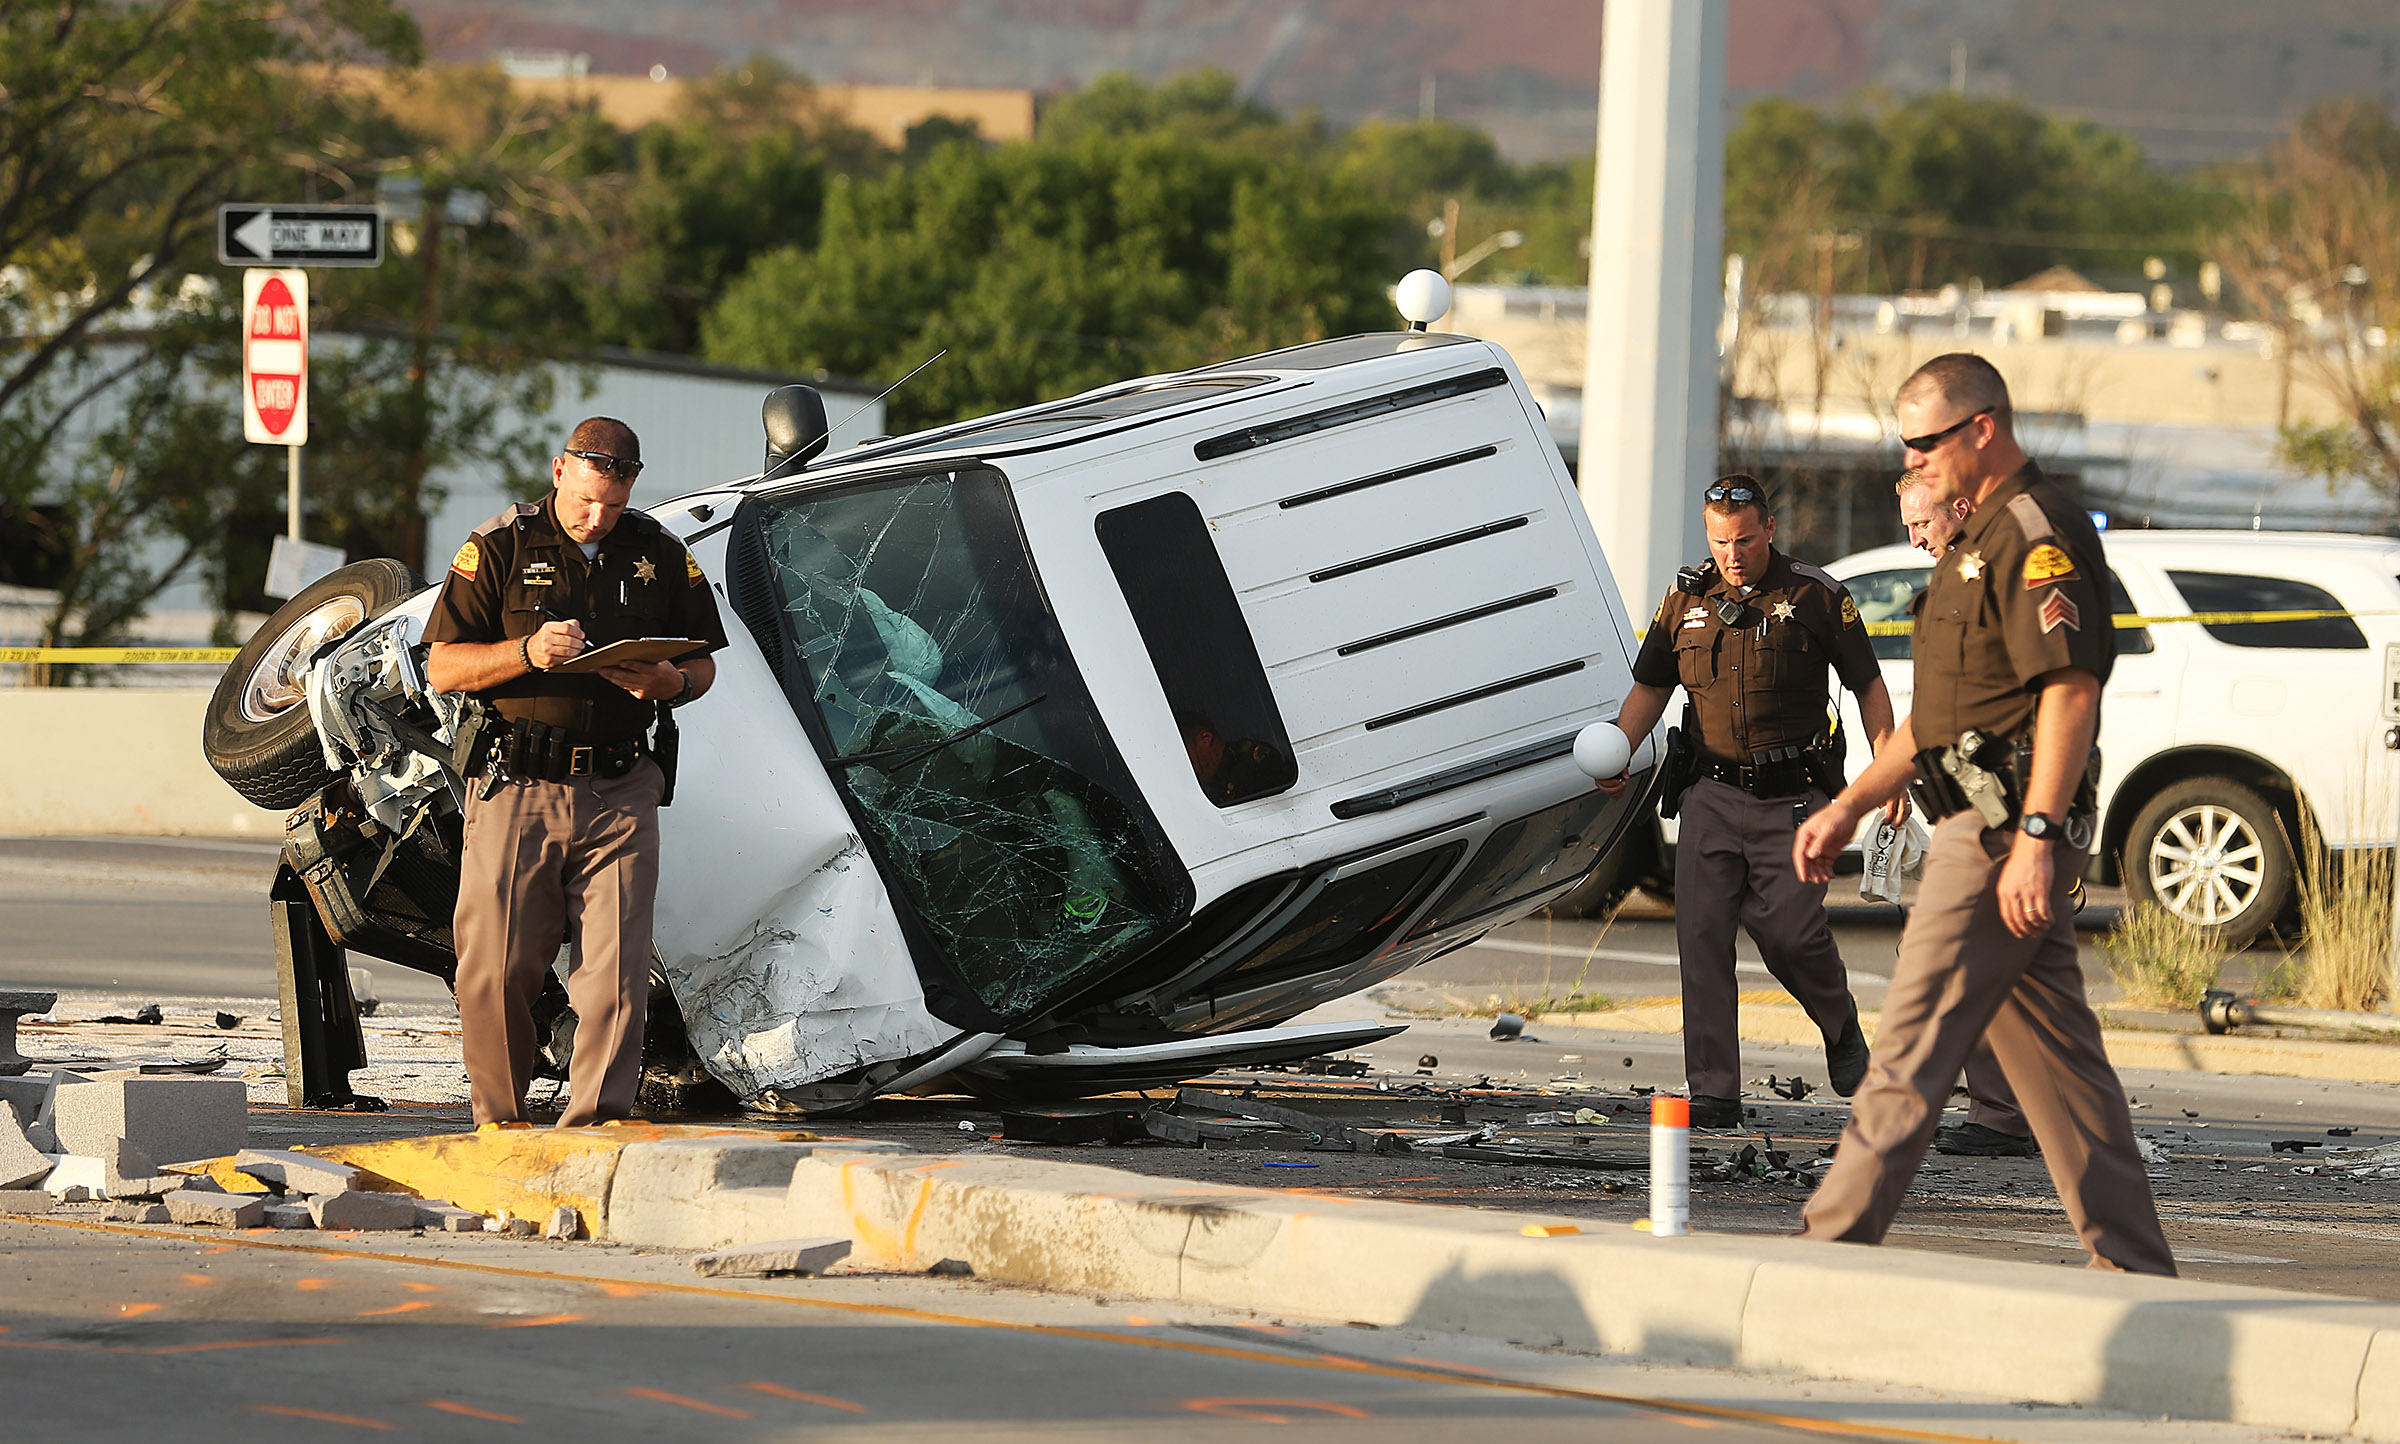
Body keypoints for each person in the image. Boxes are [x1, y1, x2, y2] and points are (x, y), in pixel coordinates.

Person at [1792, 355, 2174, 1275]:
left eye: (1925, 442)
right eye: (1905, 444)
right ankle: (2134, 1267)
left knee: (1910, 1045)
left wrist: (2039, 839)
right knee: (2063, 1072)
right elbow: (1935, 719)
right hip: (1977, 822)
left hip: (2001, 831)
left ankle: (1824, 1254)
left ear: (1983, 430)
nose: (1914, 461)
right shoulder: (1971, 549)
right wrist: (1850, 804)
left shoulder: (2037, 536)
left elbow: (2070, 693)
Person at [424, 417, 731, 1128]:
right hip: (517, 784)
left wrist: (669, 682)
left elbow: (704, 664)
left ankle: (591, 1131)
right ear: (560, 471)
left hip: (621, 789)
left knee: (615, 981)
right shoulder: (498, 546)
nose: (599, 517)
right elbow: (444, 666)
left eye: (615, 505)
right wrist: (528, 652)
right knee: (495, 971)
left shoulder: (656, 552)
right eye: (588, 499)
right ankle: (500, 1126)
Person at [1600, 476, 1904, 1130]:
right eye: (1718, 541)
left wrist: (1890, 771)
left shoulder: (1816, 596)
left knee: (1790, 932)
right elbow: (1651, 687)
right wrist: (1620, 746)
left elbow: (1869, 686)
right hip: (1709, 792)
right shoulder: (1684, 601)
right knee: (1702, 938)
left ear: (1769, 528)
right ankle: (1714, 1090)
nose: (1731, 554)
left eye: (1743, 539)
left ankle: (1839, 1021)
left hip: (1794, 798)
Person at [1894, 468, 2041, 1160]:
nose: (1913, 537)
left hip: (2001, 809)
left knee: (1959, 961)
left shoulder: (1994, 582)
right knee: (2002, 969)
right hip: (1964, 807)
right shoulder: (1950, 586)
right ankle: (2026, 1110)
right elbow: (1930, 715)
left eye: (1921, 522)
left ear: (1958, 509)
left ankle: (2004, 1112)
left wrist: (2037, 827)